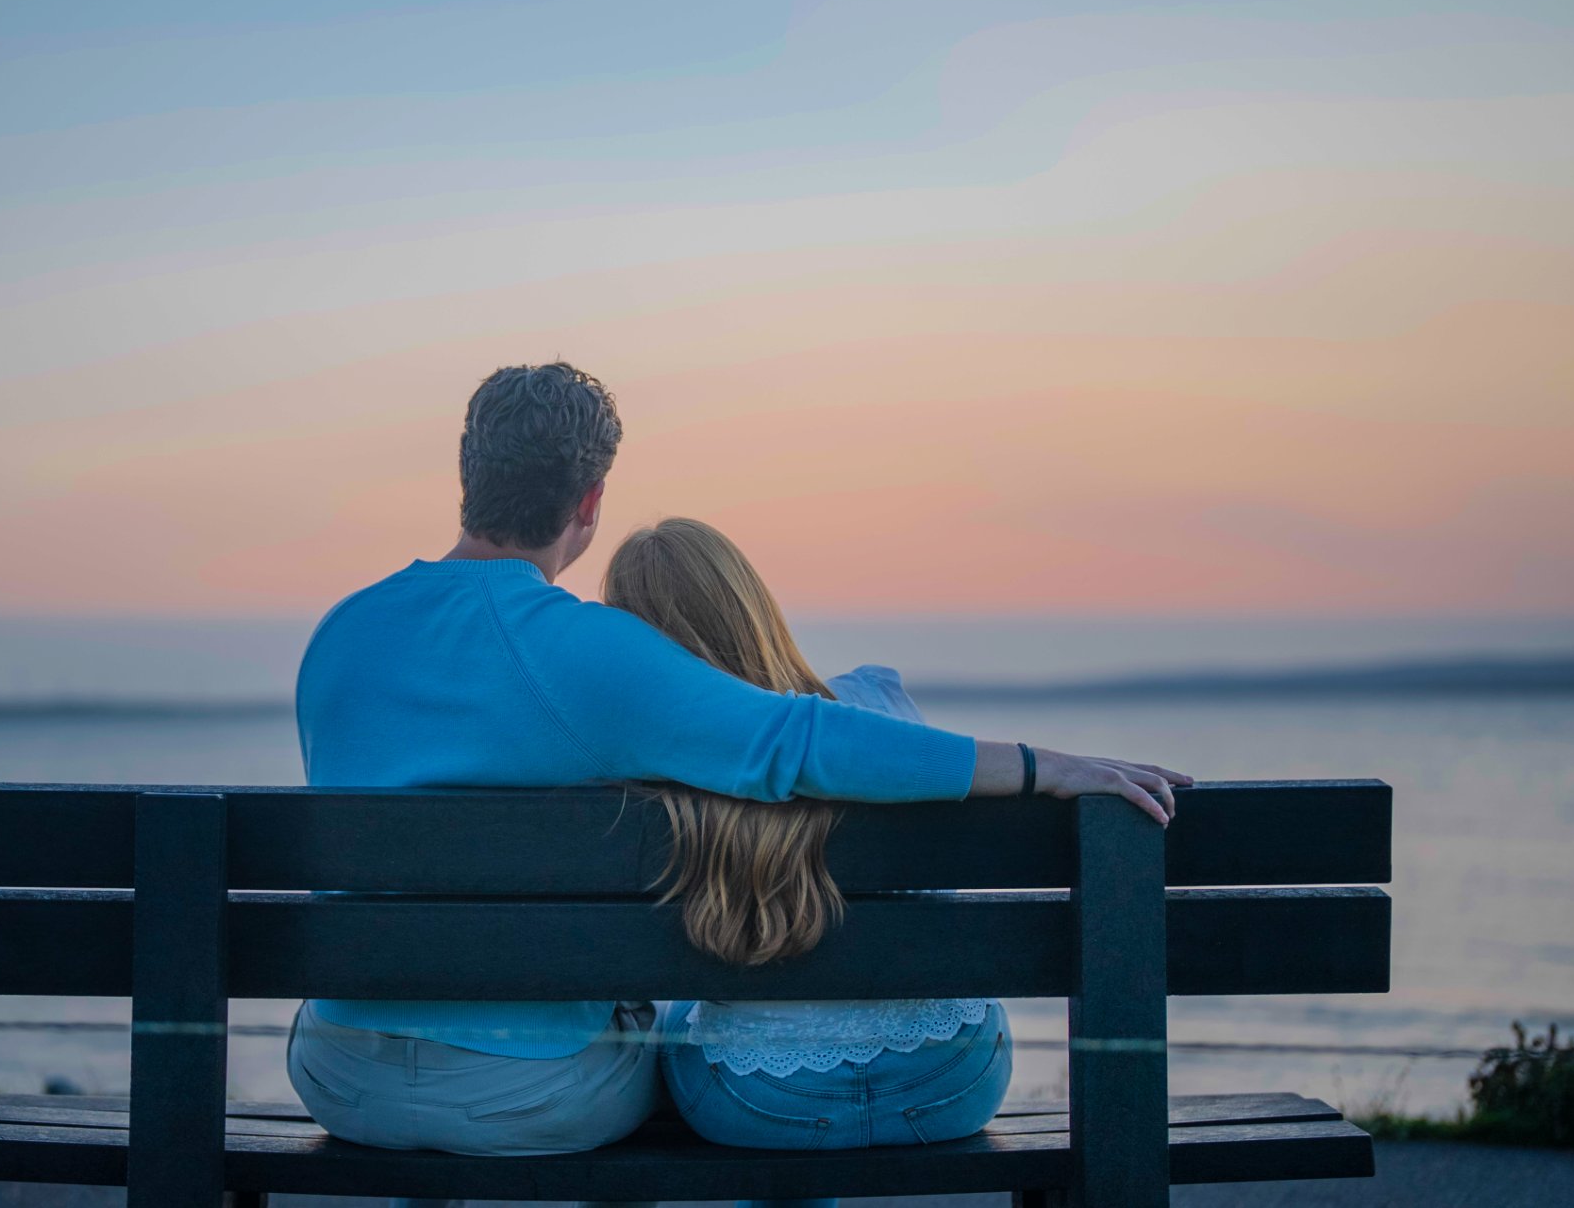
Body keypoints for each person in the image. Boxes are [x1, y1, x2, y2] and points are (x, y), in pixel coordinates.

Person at [286, 362, 1189, 1206]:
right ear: (590, 502)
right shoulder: (586, 649)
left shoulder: (338, 636)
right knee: (672, 1046)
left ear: (466, 477)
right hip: (529, 1097)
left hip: (339, 1081)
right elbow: (795, 739)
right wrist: (1039, 765)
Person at [606, 517, 1021, 1208]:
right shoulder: (879, 706)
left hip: (762, 1102)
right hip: (953, 1078)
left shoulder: (641, 773)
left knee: (683, 1019)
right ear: (752, 605)